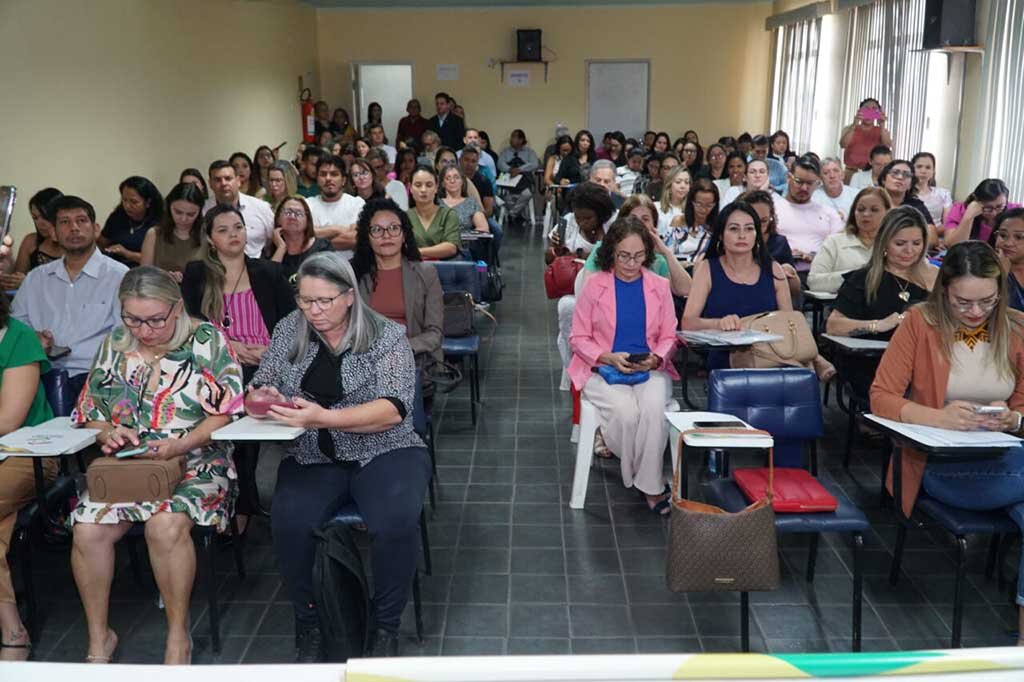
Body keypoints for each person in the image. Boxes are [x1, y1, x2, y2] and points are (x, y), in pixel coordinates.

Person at [249, 252, 430, 660]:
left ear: (349, 296)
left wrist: (323, 418)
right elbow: (259, 385)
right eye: (305, 300)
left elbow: (393, 409)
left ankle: (384, 627)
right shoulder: (288, 330)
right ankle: (310, 623)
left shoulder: (386, 335)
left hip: (387, 449)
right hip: (314, 454)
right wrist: (263, 398)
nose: (313, 311)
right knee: (289, 523)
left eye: (324, 301)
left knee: (395, 522)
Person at [69, 266, 243, 665]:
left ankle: (177, 637)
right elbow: (91, 410)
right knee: (87, 527)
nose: (144, 331)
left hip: (197, 460)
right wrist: (106, 433)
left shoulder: (205, 340)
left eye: (155, 320)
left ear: (177, 307)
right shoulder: (116, 343)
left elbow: (228, 412)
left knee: (164, 525)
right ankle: (99, 638)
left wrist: (184, 442)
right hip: (130, 467)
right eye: (133, 319)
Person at [869, 240, 1024, 644]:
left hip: (1006, 460)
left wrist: (1013, 417)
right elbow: (882, 396)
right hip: (939, 464)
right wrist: (941, 418)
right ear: (943, 292)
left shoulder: (1016, 328)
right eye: (962, 303)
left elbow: (1023, 406)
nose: (975, 313)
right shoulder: (921, 322)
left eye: (987, 302)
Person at [569, 217, 679, 514]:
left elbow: (670, 335)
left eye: (639, 255)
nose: (631, 263)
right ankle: (643, 476)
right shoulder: (595, 285)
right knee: (626, 414)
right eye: (624, 256)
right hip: (601, 368)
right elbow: (577, 338)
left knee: (654, 409)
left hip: (650, 367)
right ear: (611, 253)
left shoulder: (659, 285)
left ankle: (651, 486)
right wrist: (607, 356)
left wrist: (657, 357)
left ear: (647, 253)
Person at [682, 202, 834, 380]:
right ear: (721, 235)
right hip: (728, 360)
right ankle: (814, 360)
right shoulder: (707, 269)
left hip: (775, 357)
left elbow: (789, 323)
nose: (742, 235)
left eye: (749, 229)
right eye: (733, 229)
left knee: (789, 370)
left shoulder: (774, 270)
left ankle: (809, 361)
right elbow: (688, 323)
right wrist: (719, 324)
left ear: (757, 234)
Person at [12, 195, 128, 402]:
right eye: (65, 222)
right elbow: (16, 326)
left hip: (98, 378)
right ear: (54, 233)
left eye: (81, 220)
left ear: (96, 229)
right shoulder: (36, 279)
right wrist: (34, 338)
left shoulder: (119, 277)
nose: (74, 228)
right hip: (41, 374)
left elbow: (125, 334)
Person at [0, 293, 55, 661]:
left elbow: (8, 420)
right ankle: (12, 628)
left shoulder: (18, 337)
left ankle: (13, 632)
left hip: (27, 453)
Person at [352, 198, 444, 383]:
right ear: (367, 238)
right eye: (377, 230)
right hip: (364, 361)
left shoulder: (426, 273)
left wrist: (399, 348)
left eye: (394, 228)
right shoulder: (354, 275)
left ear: (404, 235)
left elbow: (434, 333)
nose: (386, 235)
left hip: (413, 360)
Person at [826, 205, 936, 338]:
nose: (909, 250)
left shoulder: (937, 277)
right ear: (884, 242)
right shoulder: (862, 279)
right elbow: (833, 326)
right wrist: (877, 325)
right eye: (900, 244)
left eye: (917, 243)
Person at [808, 187, 892, 293]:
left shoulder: (894, 244)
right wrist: (854, 276)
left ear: (887, 213)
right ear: (853, 212)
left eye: (874, 210)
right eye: (861, 209)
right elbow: (814, 282)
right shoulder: (834, 241)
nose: (866, 214)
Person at [773, 155, 844, 270]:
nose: (804, 188)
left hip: (819, 273)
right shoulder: (773, 209)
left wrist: (814, 257)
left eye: (810, 183)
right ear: (788, 178)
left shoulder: (828, 213)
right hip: (781, 272)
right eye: (799, 182)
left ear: (817, 183)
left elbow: (839, 248)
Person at [203, 160, 275, 258]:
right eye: (217, 180)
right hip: (216, 269)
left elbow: (275, 240)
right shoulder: (203, 211)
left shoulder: (261, 208)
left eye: (228, 178)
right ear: (210, 184)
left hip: (257, 267)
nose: (223, 183)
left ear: (238, 181)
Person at [140, 182, 206, 282]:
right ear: (169, 206)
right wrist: (165, 277)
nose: (183, 219)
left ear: (200, 212)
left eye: (191, 214)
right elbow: (144, 276)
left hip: (198, 295)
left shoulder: (207, 234)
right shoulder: (154, 234)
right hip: (160, 292)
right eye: (178, 212)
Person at [1, 187, 63, 291]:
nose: (40, 223)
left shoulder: (74, 244)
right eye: (35, 218)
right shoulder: (31, 241)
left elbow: (71, 287)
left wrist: (29, 282)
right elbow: (15, 280)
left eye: (45, 217)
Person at [742, 189, 801, 297]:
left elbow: (795, 291)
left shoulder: (779, 242)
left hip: (773, 295)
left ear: (771, 218)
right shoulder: (737, 242)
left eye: (764, 221)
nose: (759, 226)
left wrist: (788, 271)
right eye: (754, 220)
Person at [307, 155, 366, 254]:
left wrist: (314, 241)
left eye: (334, 174)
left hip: (348, 267)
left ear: (343, 180)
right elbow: (301, 235)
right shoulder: (307, 204)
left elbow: (353, 239)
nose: (328, 178)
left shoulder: (357, 204)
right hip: (314, 266)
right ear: (317, 179)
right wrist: (336, 229)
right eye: (323, 174)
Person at [100, 176, 164, 267]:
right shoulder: (117, 216)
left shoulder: (160, 222)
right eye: (124, 200)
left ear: (148, 202)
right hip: (114, 268)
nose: (127, 206)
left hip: (143, 272)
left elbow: (159, 259)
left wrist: (128, 254)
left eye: (134, 202)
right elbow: (102, 242)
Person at [545, 182, 616, 264]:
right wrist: (555, 249)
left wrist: (578, 256)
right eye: (577, 217)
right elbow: (548, 261)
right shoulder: (569, 220)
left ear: (601, 214)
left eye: (588, 218)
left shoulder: (614, 222)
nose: (582, 223)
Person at [270, 196, 333, 283]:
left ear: (308, 221)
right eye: (288, 212)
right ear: (278, 218)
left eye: (298, 213)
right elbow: (267, 283)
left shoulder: (322, 248)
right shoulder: (270, 251)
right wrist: (281, 248)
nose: (292, 217)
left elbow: (330, 282)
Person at [944, 178, 1020, 246]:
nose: (994, 213)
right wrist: (969, 216)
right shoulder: (959, 209)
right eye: (988, 208)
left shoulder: (1015, 212)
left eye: (999, 206)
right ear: (976, 202)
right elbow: (952, 245)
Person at [407, 166, 461, 259]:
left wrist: (418, 252)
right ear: (411, 188)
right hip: (411, 269)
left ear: (436, 188)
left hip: (443, 270)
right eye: (418, 185)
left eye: (429, 185)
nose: (423, 190)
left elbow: (451, 247)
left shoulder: (448, 214)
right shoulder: (404, 216)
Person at [840, 98, 892, 183]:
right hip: (851, 172)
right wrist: (855, 124)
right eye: (866, 109)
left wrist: (882, 125)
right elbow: (843, 144)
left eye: (874, 110)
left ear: (878, 113)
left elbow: (886, 147)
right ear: (860, 111)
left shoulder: (882, 131)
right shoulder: (848, 129)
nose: (870, 112)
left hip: (872, 174)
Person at [665, 180, 717, 262]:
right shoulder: (678, 221)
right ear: (692, 201)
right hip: (675, 268)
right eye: (699, 204)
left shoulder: (716, 228)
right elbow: (667, 251)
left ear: (715, 204)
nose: (703, 209)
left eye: (709, 205)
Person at [497, 128, 539, 221]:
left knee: (527, 194)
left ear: (521, 140)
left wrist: (520, 169)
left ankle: (512, 214)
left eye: (514, 137)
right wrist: (510, 169)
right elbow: (500, 164)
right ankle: (517, 215)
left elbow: (535, 164)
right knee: (505, 195)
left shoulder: (529, 152)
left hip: (524, 182)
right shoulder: (505, 152)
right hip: (508, 182)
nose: (511, 139)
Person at [877, 159, 931, 227]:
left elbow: (931, 232)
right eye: (895, 173)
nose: (900, 177)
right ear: (883, 180)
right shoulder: (872, 201)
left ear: (910, 184)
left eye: (907, 175)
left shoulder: (917, 206)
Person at [439, 165, 489, 233]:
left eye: (456, 177)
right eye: (448, 178)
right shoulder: (435, 203)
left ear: (462, 181)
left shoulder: (471, 203)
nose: (452, 181)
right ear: (443, 183)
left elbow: (483, 228)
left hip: (464, 241)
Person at [812, 157, 860, 223]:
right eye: (826, 173)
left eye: (836, 171)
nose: (832, 176)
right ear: (820, 178)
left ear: (843, 175)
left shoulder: (856, 195)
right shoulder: (813, 197)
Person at [911, 152, 952, 226]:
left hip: (939, 235)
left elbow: (947, 224)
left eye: (928, 167)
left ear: (933, 171)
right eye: (919, 167)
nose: (923, 171)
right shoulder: (905, 193)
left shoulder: (943, 193)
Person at [994, 209, 1024, 312]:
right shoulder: (983, 267)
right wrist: (1001, 274)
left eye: (1019, 237)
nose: (1008, 243)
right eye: (1002, 235)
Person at [458, 145, 496, 218]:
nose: (469, 164)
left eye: (473, 161)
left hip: (479, 217)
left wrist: (476, 219)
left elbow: (489, 210)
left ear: (477, 163)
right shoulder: (452, 179)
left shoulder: (484, 182)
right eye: (466, 160)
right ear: (460, 160)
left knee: (496, 229)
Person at [655, 166, 691, 238]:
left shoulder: (692, 210)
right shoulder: (656, 207)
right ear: (669, 186)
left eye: (687, 182)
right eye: (678, 182)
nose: (683, 186)